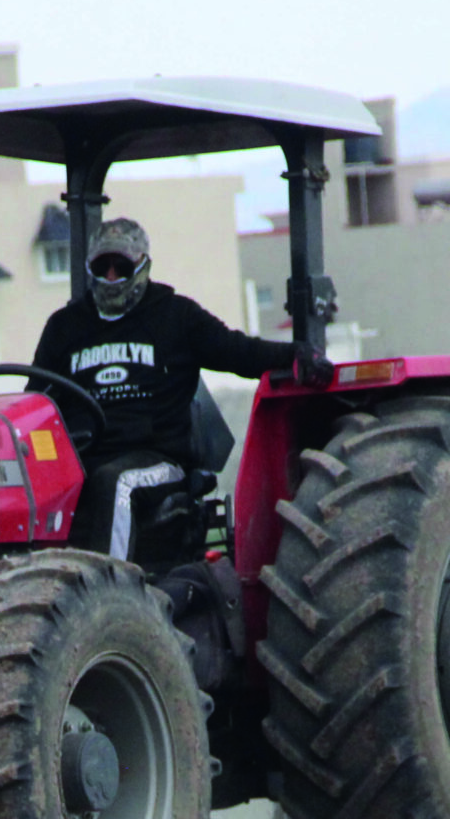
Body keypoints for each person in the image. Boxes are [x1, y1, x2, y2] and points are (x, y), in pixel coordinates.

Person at [31, 218, 329, 565]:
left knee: (117, 483)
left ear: (142, 266)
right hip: (82, 458)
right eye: (102, 267)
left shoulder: (175, 316)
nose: (111, 277)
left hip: (158, 457)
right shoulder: (64, 327)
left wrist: (295, 354)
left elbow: (237, 350)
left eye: (121, 267)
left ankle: (109, 597)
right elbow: (37, 400)